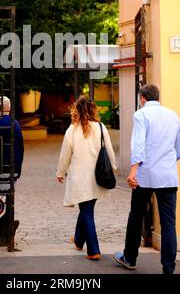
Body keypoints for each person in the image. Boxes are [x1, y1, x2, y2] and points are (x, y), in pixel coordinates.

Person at [114, 84, 180, 275]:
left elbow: (138, 144)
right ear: (157, 97)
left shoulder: (141, 115)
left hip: (144, 176)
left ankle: (129, 258)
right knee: (169, 222)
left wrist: (133, 170)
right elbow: (179, 147)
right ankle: (168, 268)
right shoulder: (173, 115)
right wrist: (168, 162)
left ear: (142, 98)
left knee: (136, 216)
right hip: (168, 177)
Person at [56, 95, 116, 260]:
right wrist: (114, 167)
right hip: (98, 178)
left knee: (86, 212)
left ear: (77, 109)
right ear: (92, 109)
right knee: (86, 209)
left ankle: (93, 250)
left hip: (79, 179)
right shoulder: (101, 127)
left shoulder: (72, 130)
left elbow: (65, 154)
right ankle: (78, 240)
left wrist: (60, 172)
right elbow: (109, 150)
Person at [0, 96, 24, 191]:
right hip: (11, 168)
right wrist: (18, 170)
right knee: (9, 198)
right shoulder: (14, 123)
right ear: (9, 108)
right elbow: (20, 148)